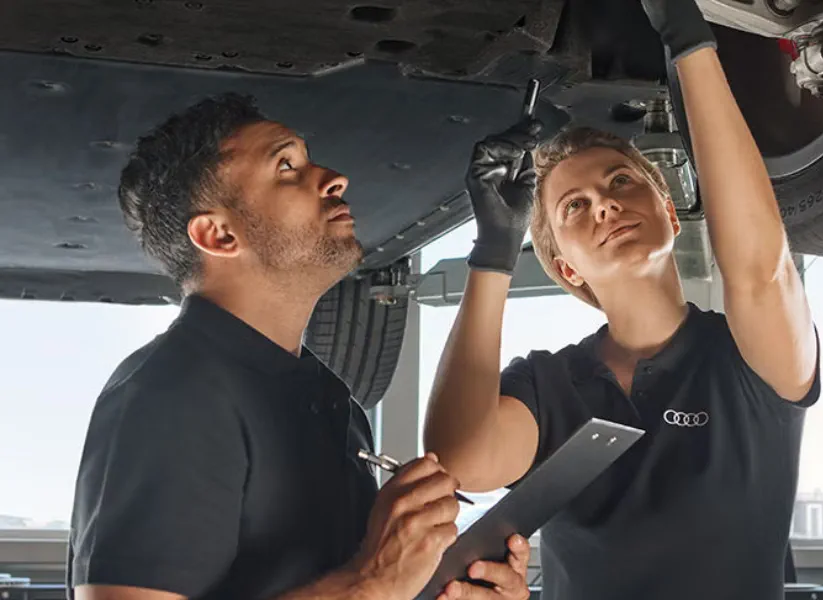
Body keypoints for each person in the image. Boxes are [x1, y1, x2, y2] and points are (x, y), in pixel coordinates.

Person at [423, 1, 820, 599]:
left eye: (621, 181)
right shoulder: (550, 386)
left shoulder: (746, 358)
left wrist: (689, 40)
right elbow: (461, 460)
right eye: (574, 207)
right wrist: (494, 252)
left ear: (671, 215)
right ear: (565, 267)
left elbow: (761, 272)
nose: (606, 204)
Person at [67, 93, 532, 600]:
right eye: (286, 167)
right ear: (219, 235)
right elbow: (367, 585)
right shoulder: (171, 395)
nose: (335, 178)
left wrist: (446, 588)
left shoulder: (331, 401)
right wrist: (376, 579)